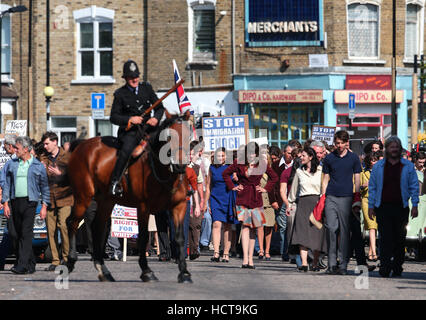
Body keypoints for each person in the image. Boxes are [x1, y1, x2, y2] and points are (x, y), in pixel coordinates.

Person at [109, 59, 165, 196]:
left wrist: (155, 119)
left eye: (136, 77)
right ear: (126, 78)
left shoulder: (147, 88)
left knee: (166, 141)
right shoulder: (120, 94)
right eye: (131, 77)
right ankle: (115, 182)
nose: (134, 80)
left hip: (149, 128)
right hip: (131, 132)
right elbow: (113, 117)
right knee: (126, 150)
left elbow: (159, 108)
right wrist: (130, 119)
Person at [368, 136, 419, 277]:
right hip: (382, 207)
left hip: (401, 207)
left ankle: (397, 266)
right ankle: (385, 266)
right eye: (392, 147)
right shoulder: (378, 166)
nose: (394, 149)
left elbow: (414, 186)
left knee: (399, 239)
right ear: (387, 149)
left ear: (399, 148)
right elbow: (372, 187)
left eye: (396, 147)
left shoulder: (408, 166)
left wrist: (415, 205)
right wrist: (371, 206)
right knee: (385, 238)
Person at [223, 142, 278, 269]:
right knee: (245, 227)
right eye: (250, 152)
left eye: (254, 152)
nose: (252, 155)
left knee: (255, 227)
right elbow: (225, 174)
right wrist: (233, 187)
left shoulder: (262, 163)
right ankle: (245, 259)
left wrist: (265, 189)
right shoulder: (239, 162)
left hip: (256, 198)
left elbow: (274, 177)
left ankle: (251, 259)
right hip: (242, 197)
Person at [2, 136, 50, 274]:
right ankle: (31, 263)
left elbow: (45, 187)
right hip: (14, 201)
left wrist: (45, 205)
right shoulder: (12, 164)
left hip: (30, 202)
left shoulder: (37, 166)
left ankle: (21, 265)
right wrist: (5, 202)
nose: (15, 150)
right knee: (15, 234)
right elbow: (6, 185)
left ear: (26, 149)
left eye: (17, 148)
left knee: (26, 233)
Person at [321, 130, 362, 275]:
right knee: (331, 229)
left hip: (347, 197)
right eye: (336, 143)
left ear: (347, 143)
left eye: (341, 143)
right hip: (331, 195)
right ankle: (331, 264)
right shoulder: (329, 158)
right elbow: (325, 178)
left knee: (345, 232)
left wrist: (357, 196)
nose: (338, 146)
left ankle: (343, 264)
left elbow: (357, 178)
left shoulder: (353, 158)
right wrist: (323, 195)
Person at [287, 147, 326, 272]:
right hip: (303, 203)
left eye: (303, 155)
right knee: (302, 234)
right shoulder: (299, 171)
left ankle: (315, 262)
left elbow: (324, 188)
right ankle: (304, 263)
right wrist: (290, 204)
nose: (301, 157)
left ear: (310, 157)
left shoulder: (321, 171)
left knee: (317, 234)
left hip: (317, 204)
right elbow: (293, 191)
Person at [40, 131, 74, 271]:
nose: (45, 146)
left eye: (47, 143)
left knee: (64, 226)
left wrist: (62, 175)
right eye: (44, 143)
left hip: (65, 197)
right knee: (50, 229)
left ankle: (66, 258)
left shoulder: (67, 157)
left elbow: (74, 177)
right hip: (49, 199)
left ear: (55, 142)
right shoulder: (43, 158)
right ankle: (55, 260)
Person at [205, 147, 238, 262]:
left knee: (227, 226)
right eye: (219, 156)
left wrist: (236, 178)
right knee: (216, 224)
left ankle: (226, 253)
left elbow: (238, 181)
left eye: (223, 155)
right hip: (215, 198)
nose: (221, 158)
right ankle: (216, 252)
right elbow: (208, 186)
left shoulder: (231, 167)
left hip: (228, 198)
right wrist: (206, 202)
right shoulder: (212, 168)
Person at [0, 134, 18, 270]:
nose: (4, 150)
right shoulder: (10, 162)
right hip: (12, 199)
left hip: (18, 200)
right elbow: (4, 181)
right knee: (10, 231)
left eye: (6, 147)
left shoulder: (17, 161)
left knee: (11, 231)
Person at [360, 152, 379, 262]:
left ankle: (371, 251)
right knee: (371, 226)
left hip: (378, 201)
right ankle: (374, 253)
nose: (373, 162)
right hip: (367, 200)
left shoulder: (381, 172)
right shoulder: (364, 173)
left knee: (375, 226)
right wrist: (364, 185)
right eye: (372, 160)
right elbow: (359, 187)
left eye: (375, 160)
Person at [257, 148, 276, 261]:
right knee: (260, 226)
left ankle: (267, 251)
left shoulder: (272, 171)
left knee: (269, 226)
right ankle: (261, 250)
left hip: (269, 202)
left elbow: (275, 186)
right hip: (259, 201)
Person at [188, 141, 204, 261]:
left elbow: (199, 186)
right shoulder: (181, 166)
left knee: (195, 224)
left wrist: (201, 202)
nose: (190, 155)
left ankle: (195, 249)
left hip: (194, 199)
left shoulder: (197, 168)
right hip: (183, 199)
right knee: (185, 225)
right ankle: (186, 249)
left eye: (192, 153)